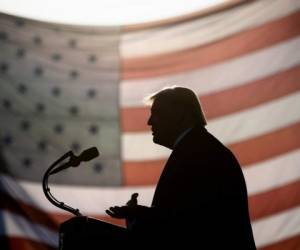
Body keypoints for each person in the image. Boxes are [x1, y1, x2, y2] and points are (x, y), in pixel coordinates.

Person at [106, 86, 256, 249]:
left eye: (157, 113)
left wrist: (137, 214)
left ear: (181, 114)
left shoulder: (200, 152)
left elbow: (188, 222)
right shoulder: (197, 148)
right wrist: (137, 216)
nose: (150, 121)